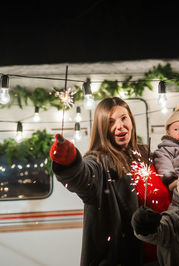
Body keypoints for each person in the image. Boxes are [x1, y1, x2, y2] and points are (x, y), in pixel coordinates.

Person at [50, 97, 150, 266]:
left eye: (124, 118)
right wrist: (69, 161)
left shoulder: (144, 153)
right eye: (111, 122)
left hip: (153, 255)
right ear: (102, 128)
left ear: (131, 120)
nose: (120, 125)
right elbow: (84, 177)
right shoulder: (98, 161)